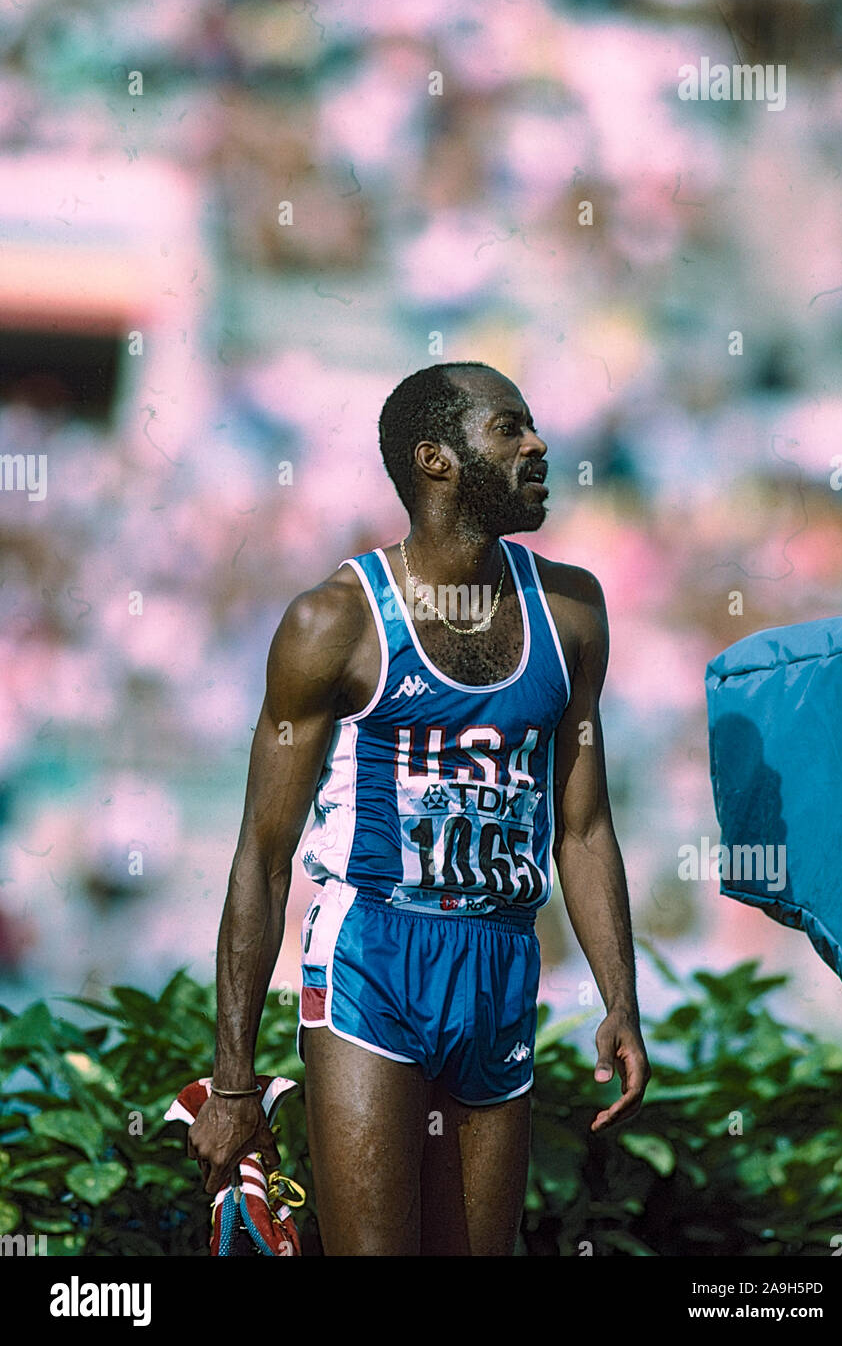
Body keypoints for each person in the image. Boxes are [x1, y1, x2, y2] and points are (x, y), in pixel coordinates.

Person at [189, 362, 650, 1255]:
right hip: (374, 953)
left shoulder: (572, 610)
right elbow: (261, 853)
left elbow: (583, 828)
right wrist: (234, 1082)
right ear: (434, 460)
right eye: (509, 428)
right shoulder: (334, 621)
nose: (539, 444)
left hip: (501, 959)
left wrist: (620, 1000)